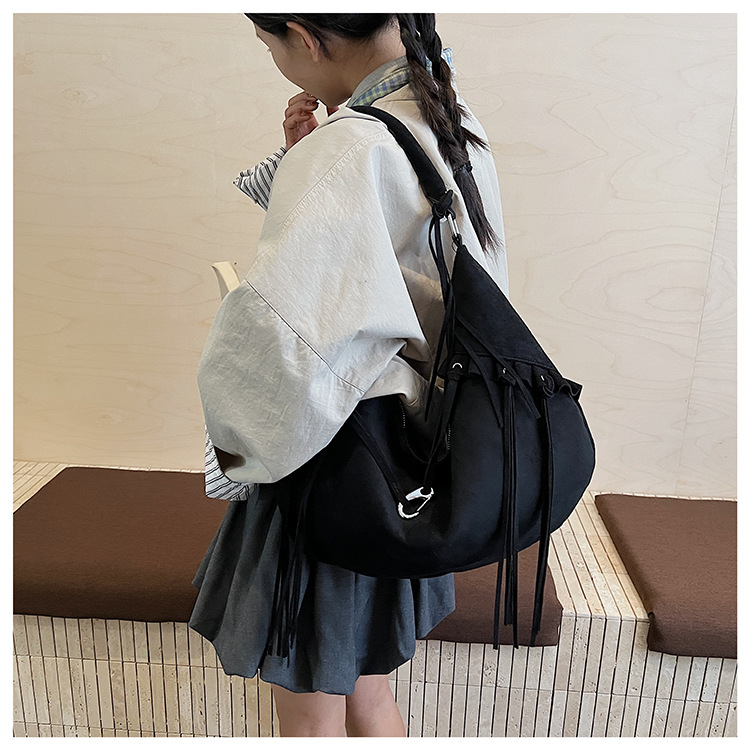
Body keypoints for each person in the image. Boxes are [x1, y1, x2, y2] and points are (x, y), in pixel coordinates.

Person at [188, 13, 510, 737]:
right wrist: (305, 163)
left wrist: (236, 456)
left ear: (304, 36)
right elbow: (406, 271)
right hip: (410, 466)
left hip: (333, 465)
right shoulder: (448, 118)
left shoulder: (351, 146)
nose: (277, 60)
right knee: (368, 693)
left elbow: (285, 344)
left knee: (310, 717)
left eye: (269, 44)